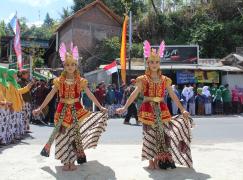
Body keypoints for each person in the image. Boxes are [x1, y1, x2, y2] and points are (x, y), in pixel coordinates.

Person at [116, 40, 192, 170]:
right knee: (149, 135)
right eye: (152, 62)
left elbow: (173, 96)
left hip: (162, 109)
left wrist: (182, 109)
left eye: (157, 62)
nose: (154, 64)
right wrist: (124, 107)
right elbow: (134, 94)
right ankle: (150, 161)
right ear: (148, 63)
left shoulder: (165, 80)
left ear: (159, 63)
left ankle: (160, 158)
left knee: (164, 134)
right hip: (147, 109)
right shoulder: (142, 79)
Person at [33, 43, 108, 171]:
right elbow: (50, 95)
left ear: (76, 65)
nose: (70, 67)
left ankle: (72, 161)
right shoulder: (59, 81)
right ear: (64, 65)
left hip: (76, 110)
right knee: (62, 135)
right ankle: (65, 161)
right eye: (67, 64)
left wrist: (100, 106)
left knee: (74, 136)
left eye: (73, 64)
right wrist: (40, 108)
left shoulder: (81, 81)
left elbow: (89, 94)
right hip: (61, 110)